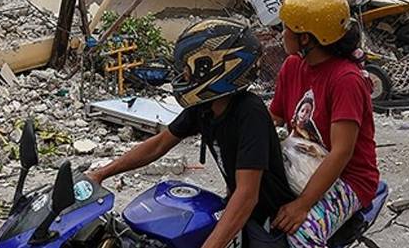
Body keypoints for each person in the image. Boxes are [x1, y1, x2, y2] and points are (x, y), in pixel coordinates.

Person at [88, 19, 293, 248]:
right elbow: (159, 144)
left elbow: (247, 195)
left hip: (266, 219)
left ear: (218, 67)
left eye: (190, 67)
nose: (184, 74)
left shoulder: (250, 113)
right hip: (234, 206)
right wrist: (101, 174)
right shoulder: (205, 107)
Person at [268, 0, 380, 248]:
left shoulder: (346, 80)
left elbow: (341, 152)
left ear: (305, 38)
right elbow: (274, 116)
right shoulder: (292, 66)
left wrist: (302, 205)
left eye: (286, 29)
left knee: (301, 235)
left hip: (349, 178)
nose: (281, 34)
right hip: (302, 163)